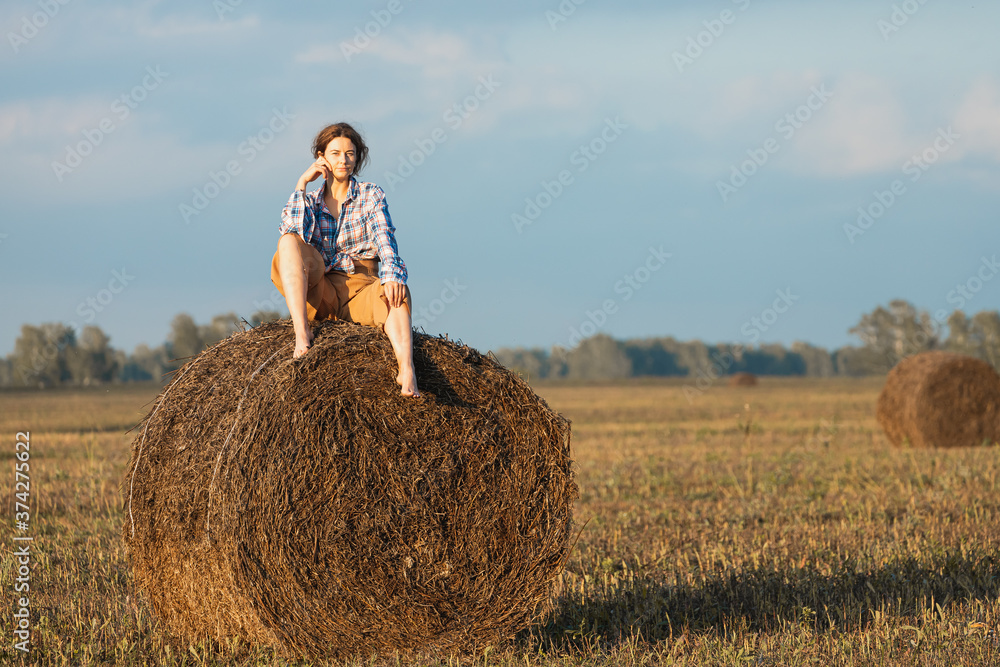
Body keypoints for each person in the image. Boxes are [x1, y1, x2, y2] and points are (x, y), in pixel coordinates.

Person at [270, 122, 420, 397]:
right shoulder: (311, 201)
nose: (344, 160)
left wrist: (392, 275)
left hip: (361, 287)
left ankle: (407, 369)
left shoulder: (370, 194)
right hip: (321, 289)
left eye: (350, 153)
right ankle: (302, 335)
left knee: (397, 292)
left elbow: (384, 235)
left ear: (357, 158)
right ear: (321, 157)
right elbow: (291, 230)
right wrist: (301, 184)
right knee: (287, 241)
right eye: (336, 153)